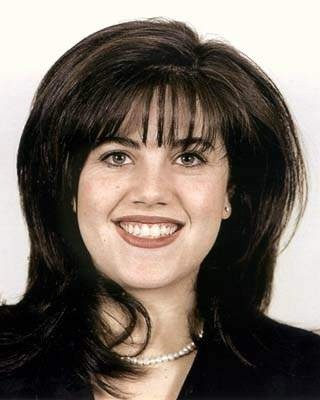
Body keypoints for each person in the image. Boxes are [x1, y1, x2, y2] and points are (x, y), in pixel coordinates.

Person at [0, 17, 320, 400]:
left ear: (231, 193)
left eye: (189, 158)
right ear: (68, 187)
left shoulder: (307, 376)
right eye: (117, 156)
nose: (151, 192)